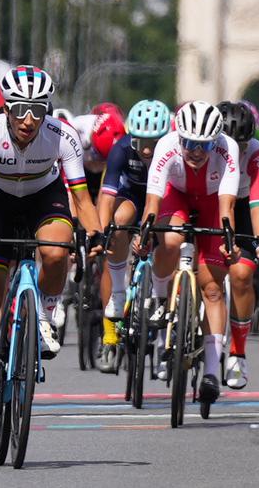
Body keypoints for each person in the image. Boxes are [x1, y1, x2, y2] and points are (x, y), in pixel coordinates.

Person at [0, 66, 103, 438]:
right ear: (6, 108)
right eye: (21, 110)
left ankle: (47, 311)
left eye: (38, 111)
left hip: (44, 196)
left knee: (57, 252)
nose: (29, 120)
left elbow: (82, 198)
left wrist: (96, 232)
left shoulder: (62, 136)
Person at [139, 101, 240, 406]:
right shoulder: (167, 145)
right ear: (179, 136)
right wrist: (145, 234)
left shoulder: (228, 148)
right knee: (170, 240)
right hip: (177, 196)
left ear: (216, 140)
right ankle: (159, 299)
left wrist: (228, 240)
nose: (196, 151)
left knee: (212, 288)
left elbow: (227, 208)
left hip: (211, 203)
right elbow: (153, 202)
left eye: (204, 145)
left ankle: (211, 372)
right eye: (190, 144)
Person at [93, 98, 171, 373]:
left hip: (165, 199)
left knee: (170, 242)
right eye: (141, 142)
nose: (147, 149)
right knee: (118, 221)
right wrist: (102, 235)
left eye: (154, 141)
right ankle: (115, 300)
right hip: (133, 198)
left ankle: (166, 340)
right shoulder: (121, 149)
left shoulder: (174, 150)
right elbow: (106, 197)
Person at [217, 101, 259, 389]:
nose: (233, 151)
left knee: (241, 274)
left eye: (239, 144)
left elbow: (258, 208)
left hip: (242, 207)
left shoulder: (257, 153)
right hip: (208, 203)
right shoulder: (204, 146)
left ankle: (238, 352)